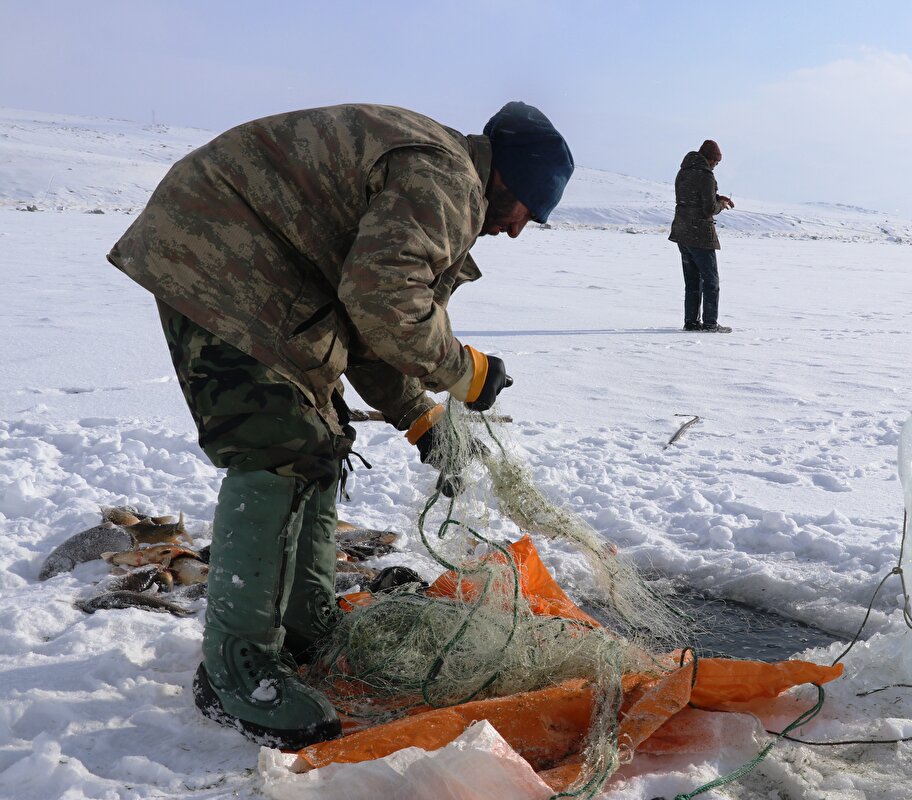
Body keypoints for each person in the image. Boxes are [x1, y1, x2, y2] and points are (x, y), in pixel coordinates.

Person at [107, 101, 573, 748]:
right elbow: (383, 300)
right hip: (222, 252)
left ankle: (304, 624)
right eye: (528, 209)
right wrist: (466, 372)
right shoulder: (447, 181)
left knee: (321, 439)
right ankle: (239, 669)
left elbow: (368, 331)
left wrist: (422, 420)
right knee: (279, 443)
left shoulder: (444, 181)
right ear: (508, 181)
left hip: (264, 268)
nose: (521, 229)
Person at [668, 139, 734, 333]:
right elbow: (706, 209)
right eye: (716, 161)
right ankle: (710, 323)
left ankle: (691, 322)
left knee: (692, 281)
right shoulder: (706, 176)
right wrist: (719, 205)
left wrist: (716, 197)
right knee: (710, 280)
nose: (716, 165)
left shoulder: (684, 171)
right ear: (710, 158)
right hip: (700, 235)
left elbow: (691, 198)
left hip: (681, 232)